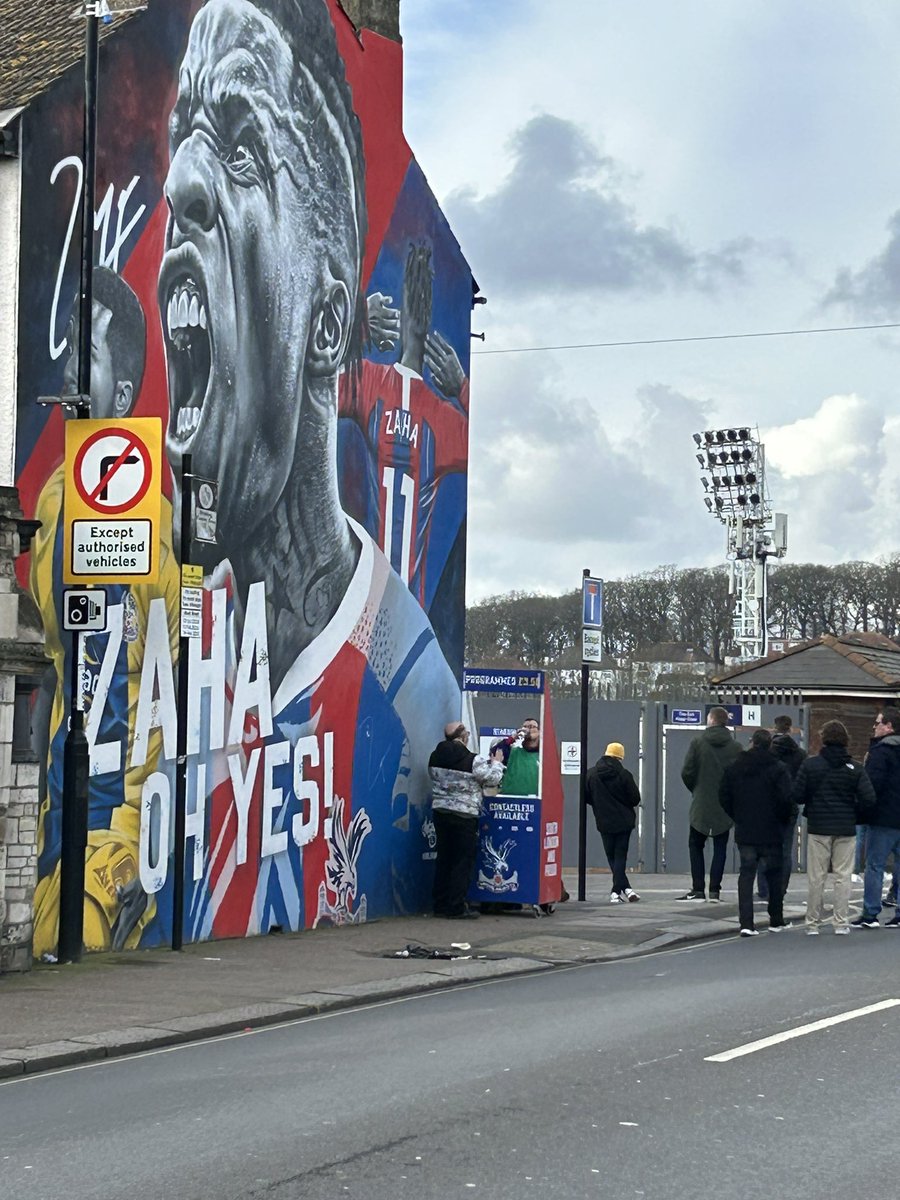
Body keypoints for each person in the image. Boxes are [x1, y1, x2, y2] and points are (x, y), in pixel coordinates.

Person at [158, 0, 460, 929]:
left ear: (329, 326)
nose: (180, 182)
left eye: (241, 150)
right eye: (184, 137)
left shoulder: (413, 697)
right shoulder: (167, 617)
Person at [30, 268, 181, 956]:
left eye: (81, 354)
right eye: (64, 348)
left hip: (106, 823)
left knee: (64, 941)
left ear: (120, 393)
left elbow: (121, 661)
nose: (64, 368)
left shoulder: (123, 507)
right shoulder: (67, 496)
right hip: (75, 810)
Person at [794, 720, 875, 935]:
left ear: (824, 738)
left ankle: (812, 923)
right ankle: (841, 922)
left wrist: (813, 801)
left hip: (818, 826)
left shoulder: (810, 765)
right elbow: (869, 799)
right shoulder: (855, 768)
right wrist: (854, 814)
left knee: (816, 877)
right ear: (845, 740)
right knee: (842, 876)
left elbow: (797, 794)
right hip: (846, 827)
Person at [719, 729, 795, 937]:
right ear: (770, 744)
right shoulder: (778, 768)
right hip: (771, 829)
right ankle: (776, 919)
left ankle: (746, 923)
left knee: (746, 875)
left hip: (746, 829)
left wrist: (737, 815)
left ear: (752, 743)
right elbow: (786, 800)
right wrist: (781, 819)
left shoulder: (734, 767)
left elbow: (724, 796)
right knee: (773, 875)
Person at [429, 723, 504, 919]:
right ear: (463, 737)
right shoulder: (472, 759)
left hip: (441, 812)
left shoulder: (434, 756)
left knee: (444, 858)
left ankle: (440, 905)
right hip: (465, 815)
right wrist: (496, 763)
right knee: (462, 861)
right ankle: (456, 907)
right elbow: (492, 780)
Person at [678, 707, 742, 902]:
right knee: (720, 848)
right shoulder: (736, 747)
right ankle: (715, 890)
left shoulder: (698, 743)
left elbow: (687, 771)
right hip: (724, 806)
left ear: (712, 720)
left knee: (695, 845)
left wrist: (697, 789)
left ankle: (698, 889)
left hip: (702, 802)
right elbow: (738, 778)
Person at [851, 708, 900, 929]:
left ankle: (871, 913)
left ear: (889, 726)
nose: (874, 726)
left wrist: (863, 811)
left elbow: (872, 786)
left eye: (878, 723)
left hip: (884, 818)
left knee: (874, 865)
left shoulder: (881, 752)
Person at [756, 714, 806, 901]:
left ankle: (764, 890)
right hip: (789, 806)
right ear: (790, 729)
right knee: (785, 851)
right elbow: (802, 781)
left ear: (774, 728)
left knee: (765, 849)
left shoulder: (766, 752)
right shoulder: (800, 754)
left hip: (767, 806)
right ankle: (780, 890)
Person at [586, 741, 641, 903]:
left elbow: (587, 797)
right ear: (620, 757)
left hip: (603, 821)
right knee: (620, 857)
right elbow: (635, 799)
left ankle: (625, 890)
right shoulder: (624, 775)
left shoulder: (591, 774)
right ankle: (617, 891)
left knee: (611, 857)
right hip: (624, 822)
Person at [495, 718, 541, 796]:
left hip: (534, 803)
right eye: (525, 727)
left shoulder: (544, 757)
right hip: (510, 803)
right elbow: (495, 753)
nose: (527, 729)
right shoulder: (513, 752)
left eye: (531, 726)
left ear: (539, 732)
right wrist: (512, 738)